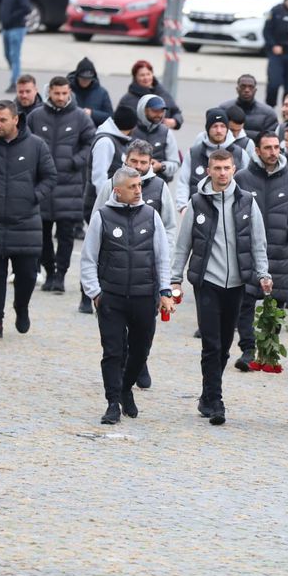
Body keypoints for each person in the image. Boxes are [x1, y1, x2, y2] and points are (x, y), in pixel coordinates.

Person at [171, 150, 272, 425]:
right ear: (208, 170)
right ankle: (216, 400)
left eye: (227, 168)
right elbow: (183, 244)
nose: (223, 173)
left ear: (234, 168)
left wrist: (263, 274)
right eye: (217, 168)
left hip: (237, 283)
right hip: (207, 282)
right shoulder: (197, 202)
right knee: (211, 343)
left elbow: (257, 243)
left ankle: (206, 394)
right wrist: (175, 278)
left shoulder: (247, 202)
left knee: (226, 344)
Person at [80, 167, 175, 424]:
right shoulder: (103, 217)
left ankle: (125, 387)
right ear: (117, 190)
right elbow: (88, 258)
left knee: (140, 350)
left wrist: (165, 291)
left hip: (145, 296)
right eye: (132, 187)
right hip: (111, 296)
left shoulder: (151, 216)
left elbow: (162, 258)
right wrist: (95, 293)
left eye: (139, 186)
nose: (137, 190)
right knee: (113, 351)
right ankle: (112, 401)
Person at [0, 100, 57, 340]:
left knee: (26, 274)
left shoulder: (36, 146)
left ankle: (21, 307)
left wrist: (32, 196)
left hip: (25, 221)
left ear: (16, 119)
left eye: (2, 120)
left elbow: (50, 176)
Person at [93, 139, 179, 392]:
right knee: (116, 332)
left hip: (146, 271)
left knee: (143, 329)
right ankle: (121, 374)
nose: (139, 167)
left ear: (151, 163)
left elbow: (170, 225)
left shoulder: (159, 187)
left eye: (143, 163)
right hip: (115, 271)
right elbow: (98, 218)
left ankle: (138, 362)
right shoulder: (113, 185)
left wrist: (165, 257)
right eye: (134, 162)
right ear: (125, 160)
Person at [232, 131, 288, 372]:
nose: (273, 152)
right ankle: (248, 349)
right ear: (258, 151)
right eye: (268, 148)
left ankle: (269, 350)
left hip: (280, 252)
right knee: (246, 302)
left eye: (276, 147)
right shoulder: (242, 177)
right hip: (249, 251)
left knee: (276, 304)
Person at [26, 76, 95, 294]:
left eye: (65, 93)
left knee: (65, 236)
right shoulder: (36, 116)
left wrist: (76, 161)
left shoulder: (80, 118)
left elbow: (90, 142)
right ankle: (48, 271)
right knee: (42, 234)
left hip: (70, 186)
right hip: (43, 186)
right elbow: (24, 141)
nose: (61, 97)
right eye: (57, 93)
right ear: (49, 93)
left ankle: (60, 276)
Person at [80, 106, 138, 314]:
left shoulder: (118, 139)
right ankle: (86, 296)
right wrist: (108, 203)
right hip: (100, 203)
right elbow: (98, 178)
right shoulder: (106, 141)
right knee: (96, 250)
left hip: (112, 203)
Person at [174, 109, 247, 212]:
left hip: (231, 211)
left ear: (227, 129)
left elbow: (247, 184)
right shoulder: (193, 153)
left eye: (222, 126)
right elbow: (183, 182)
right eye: (215, 126)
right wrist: (183, 207)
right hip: (198, 211)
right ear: (208, 129)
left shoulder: (240, 153)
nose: (219, 130)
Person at [118, 60, 182, 130]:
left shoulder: (163, 94)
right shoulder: (127, 100)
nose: (146, 78)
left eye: (148, 74)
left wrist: (175, 121)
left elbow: (176, 112)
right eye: (142, 75)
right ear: (135, 77)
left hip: (161, 137)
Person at [130, 95, 179, 182]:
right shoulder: (130, 129)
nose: (159, 114)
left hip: (157, 184)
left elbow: (175, 163)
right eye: (155, 111)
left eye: (161, 111)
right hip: (130, 183)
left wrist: (161, 166)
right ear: (143, 110)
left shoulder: (167, 132)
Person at [219, 74, 277, 140]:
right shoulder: (223, 109)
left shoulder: (268, 113)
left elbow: (271, 138)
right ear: (237, 89)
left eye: (250, 87)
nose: (247, 90)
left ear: (255, 90)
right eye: (243, 86)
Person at [67, 57, 114, 126]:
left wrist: (92, 114)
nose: (85, 81)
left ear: (93, 78)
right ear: (77, 76)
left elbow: (110, 117)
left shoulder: (102, 93)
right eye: (82, 78)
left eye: (88, 79)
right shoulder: (66, 91)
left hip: (93, 131)